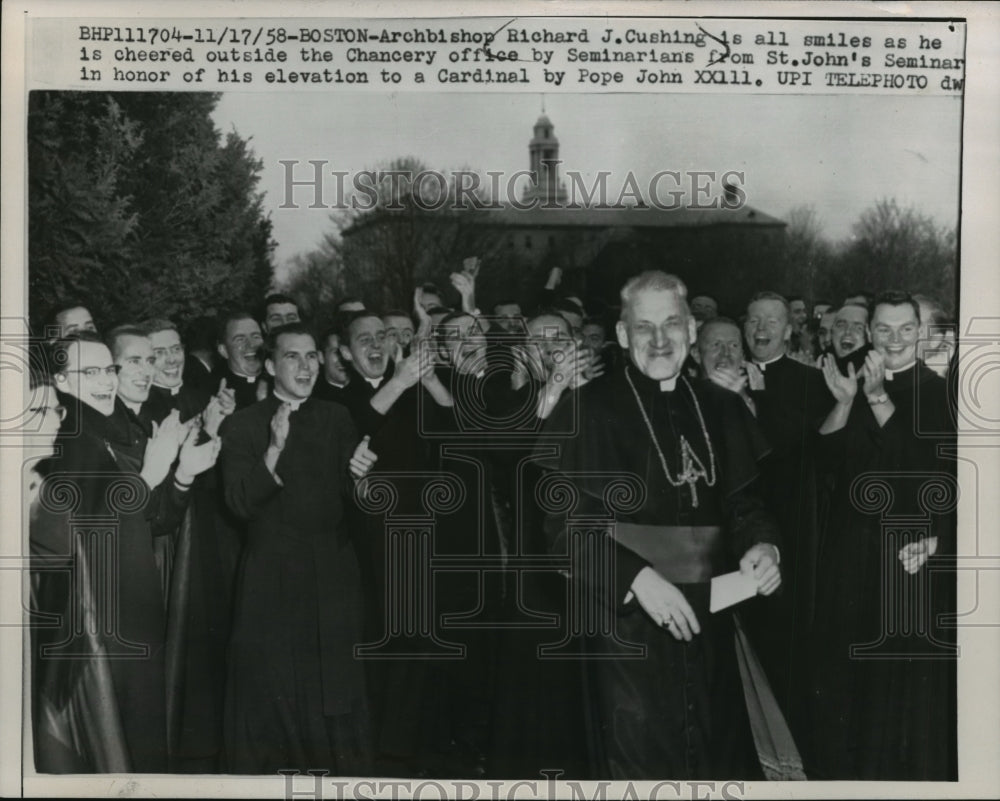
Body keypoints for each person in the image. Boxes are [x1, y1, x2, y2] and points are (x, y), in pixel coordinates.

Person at [540, 272, 782, 780]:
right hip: (624, 627)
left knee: (715, 758)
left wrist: (763, 546)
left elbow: (745, 504)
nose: (658, 340)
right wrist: (635, 577)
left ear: (691, 330)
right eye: (643, 327)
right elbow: (564, 530)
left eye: (671, 324)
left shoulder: (720, 405)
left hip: (711, 618)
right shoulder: (586, 409)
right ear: (622, 334)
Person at [32, 332, 215, 772]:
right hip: (100, 622)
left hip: (127, 608)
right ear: (61, 381)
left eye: (108, 370)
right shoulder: (68, 438)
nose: (106, 381)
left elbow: (151, 520)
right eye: (90, 371)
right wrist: (151, 473)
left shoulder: (106, 429)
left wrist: (182, 476)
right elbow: (84, 537)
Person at [807, 291, 956, 780]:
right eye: (884, 330)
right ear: (870, 332)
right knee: (839, 672)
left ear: (920, 333)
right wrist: (844, 404)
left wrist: (875, 398)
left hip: (902, 552)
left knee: (889, 689)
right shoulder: (848, 377)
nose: (894, 340)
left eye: (905, 329)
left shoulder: (940, 392)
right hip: (849, 548)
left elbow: (923, 472)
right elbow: (824, 463)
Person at [220, 323, 376, 774]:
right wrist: (274, 448)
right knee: (272, 688)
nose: (306, 366)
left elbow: (359, 500)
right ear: (270, 366)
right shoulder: (243, 424)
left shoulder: (336, 417)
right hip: (271, 575)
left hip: (331, 573)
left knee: (334, 687)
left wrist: (363, 478)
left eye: (311, 356)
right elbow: (239, 504)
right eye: (292, 356)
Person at [740, 293, 831, 745]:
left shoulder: (811, 380)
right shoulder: (723, 376)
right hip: (737, 526)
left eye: (772, 321)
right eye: (754, 320)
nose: (761, 329)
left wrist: (757, 398)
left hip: (791, 524)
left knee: (784, 639)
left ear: (789, 330)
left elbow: (797, 448)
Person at [214, 310, 266, 409]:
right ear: (224, 351)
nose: (251, 344)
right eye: (240, 339)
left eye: (256, 337)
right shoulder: (215, 391)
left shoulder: (279, 381)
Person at [313, 326, 351, 404]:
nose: (343, 357)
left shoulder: (367, 390)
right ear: (321, 357)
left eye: (347, 351)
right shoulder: (314, 399)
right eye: (336, 352)